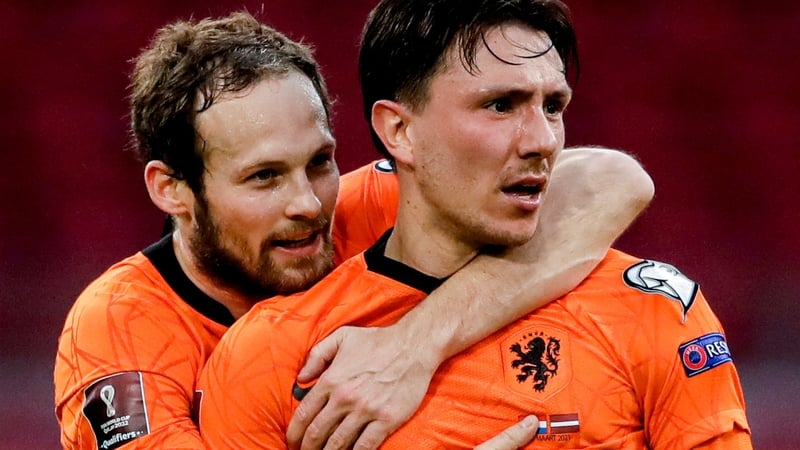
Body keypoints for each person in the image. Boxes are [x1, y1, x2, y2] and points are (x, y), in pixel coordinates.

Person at [53, 10, 653, 450]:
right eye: (263, 177)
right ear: (171, 190)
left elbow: (617, 181)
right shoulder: (118, 330)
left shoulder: (364, 208)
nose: (307, 203)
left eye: (319, 161)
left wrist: (415, 344)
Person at [196, 1, 751, 449]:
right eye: (500, 105)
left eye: (553, 105)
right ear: (400, 132)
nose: (541, 141)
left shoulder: (651, 310)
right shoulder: (271, 358)